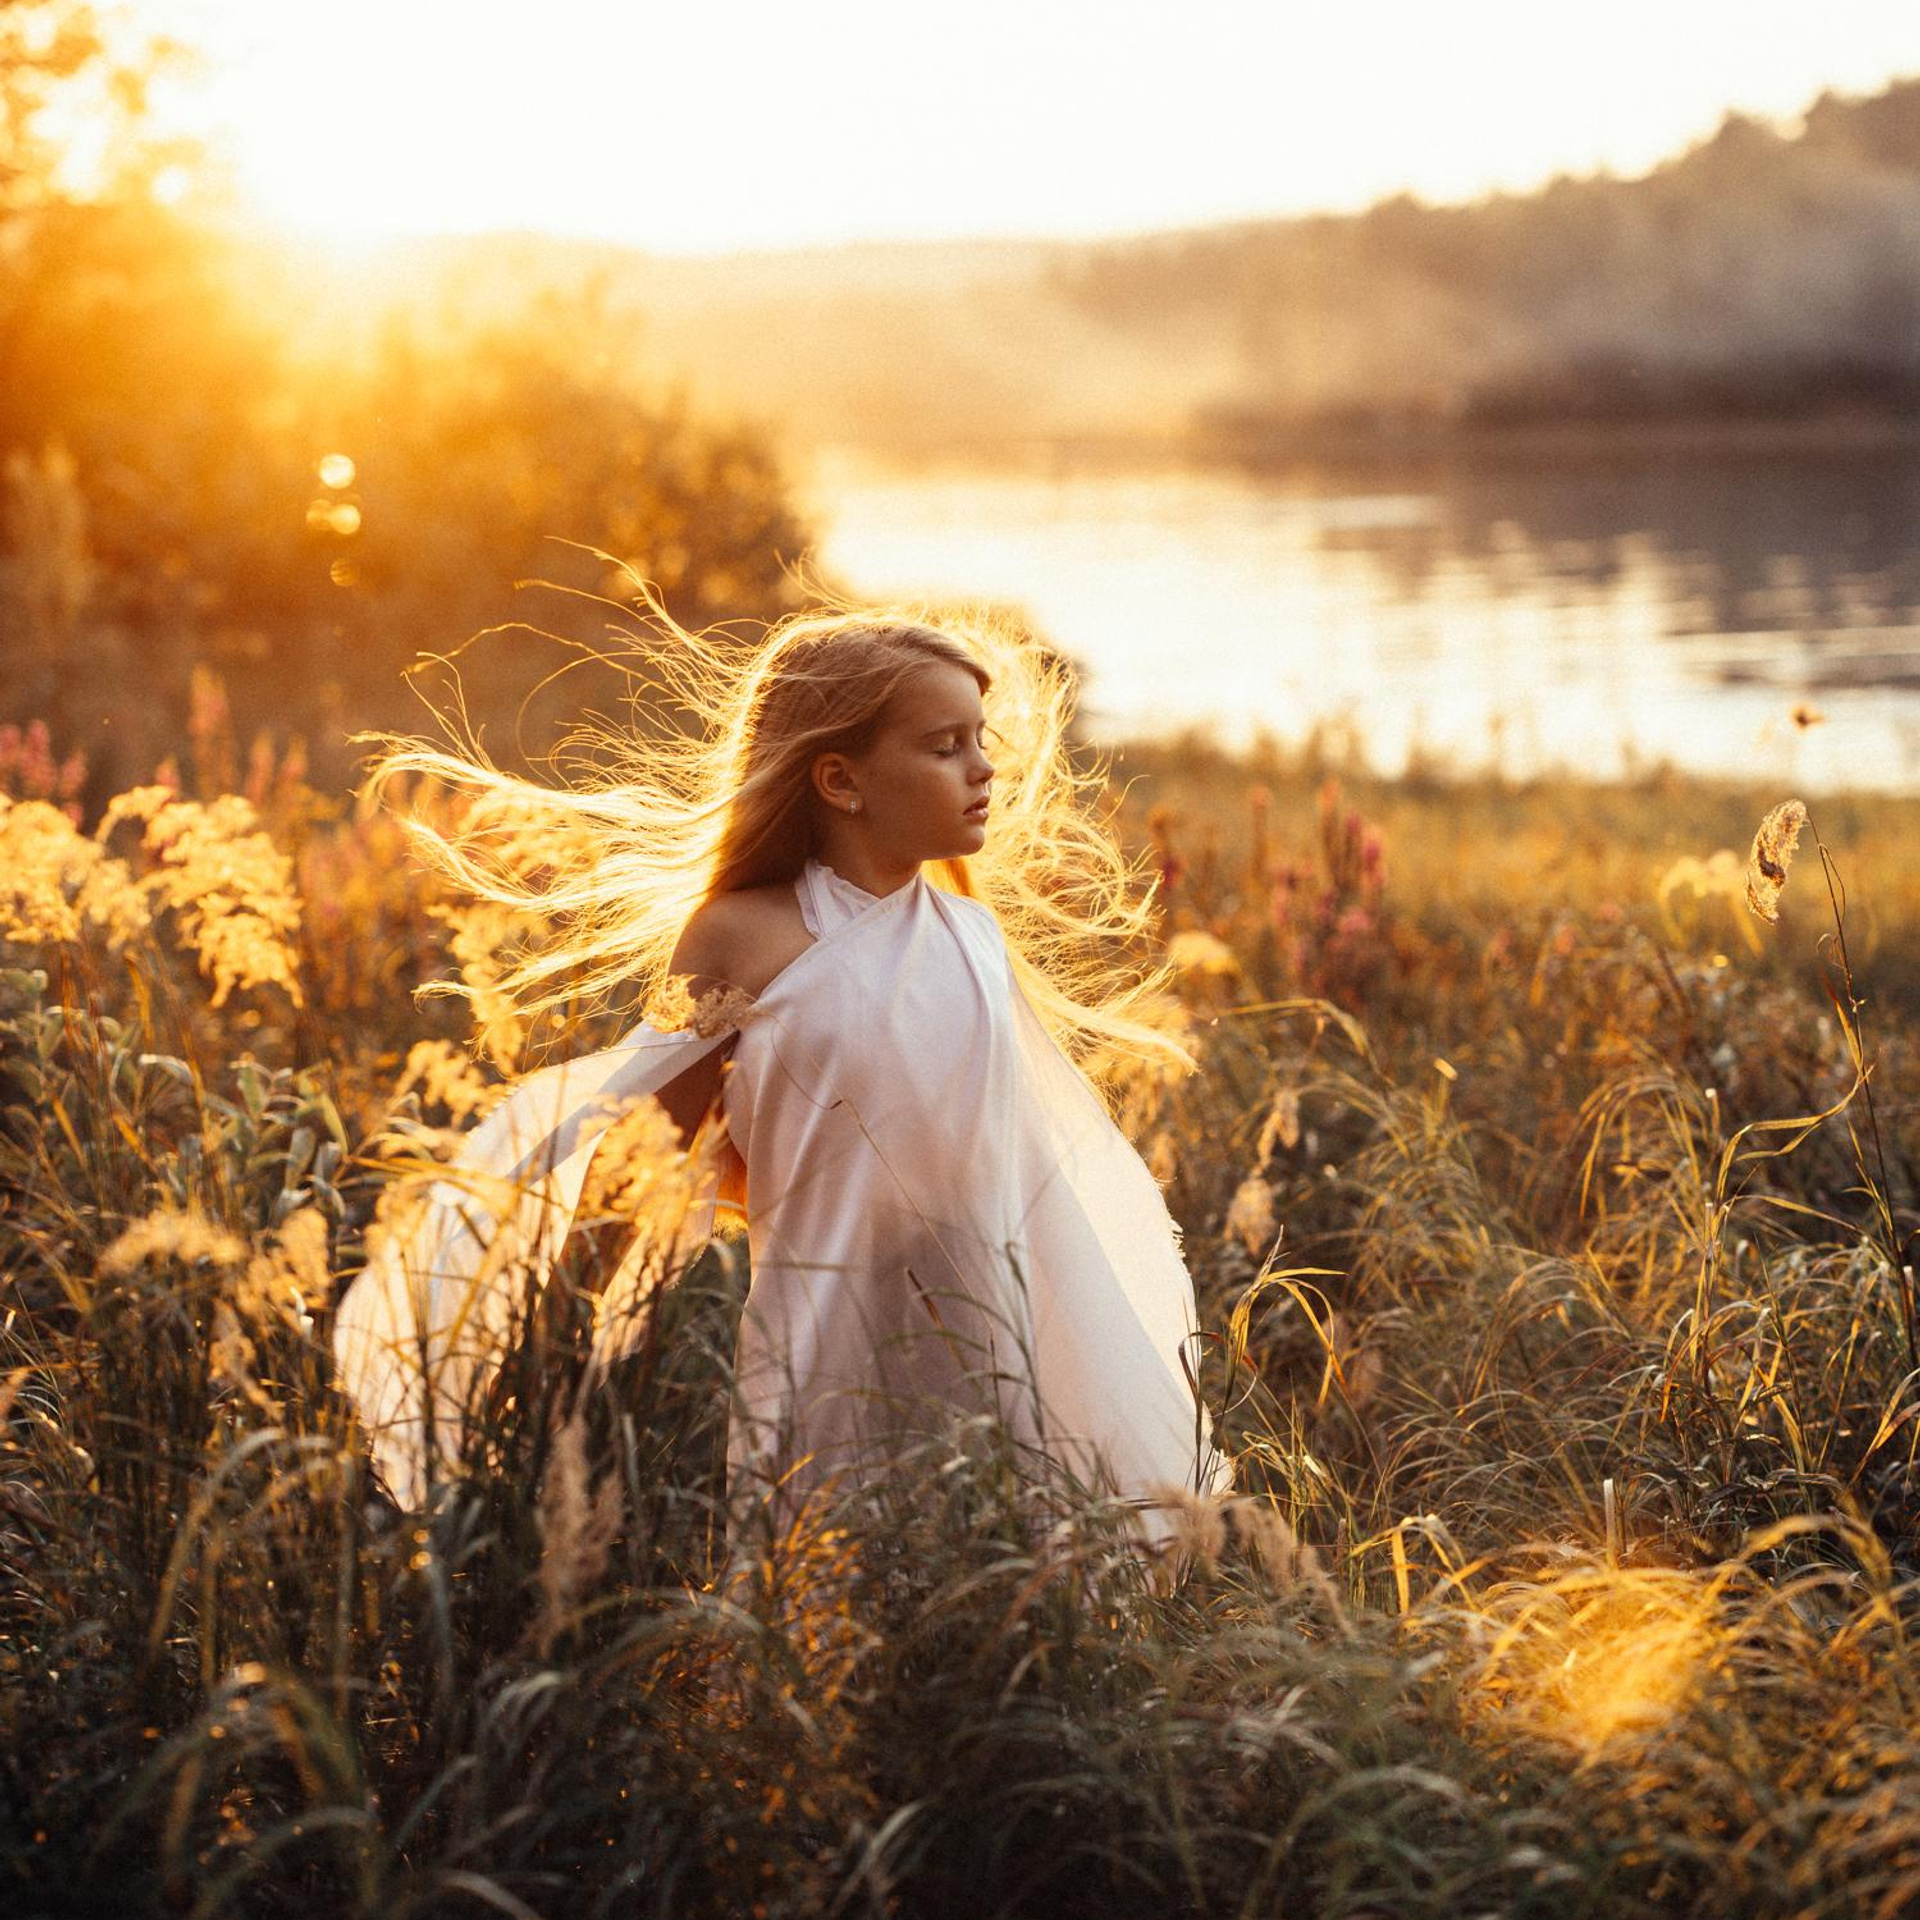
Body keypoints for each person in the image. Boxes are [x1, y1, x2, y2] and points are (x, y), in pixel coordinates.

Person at [331, 598, 1234, 1561]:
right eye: (944, 746)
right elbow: (660, 1152)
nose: (984, 769)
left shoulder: (972, 937)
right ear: (841, 779)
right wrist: (557, 1343)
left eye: (983, 740)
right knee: (829, 1583)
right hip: (826, 1332)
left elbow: (1009, 1150)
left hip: (985, 1322)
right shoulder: (743, 935)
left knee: (1002, 1572)